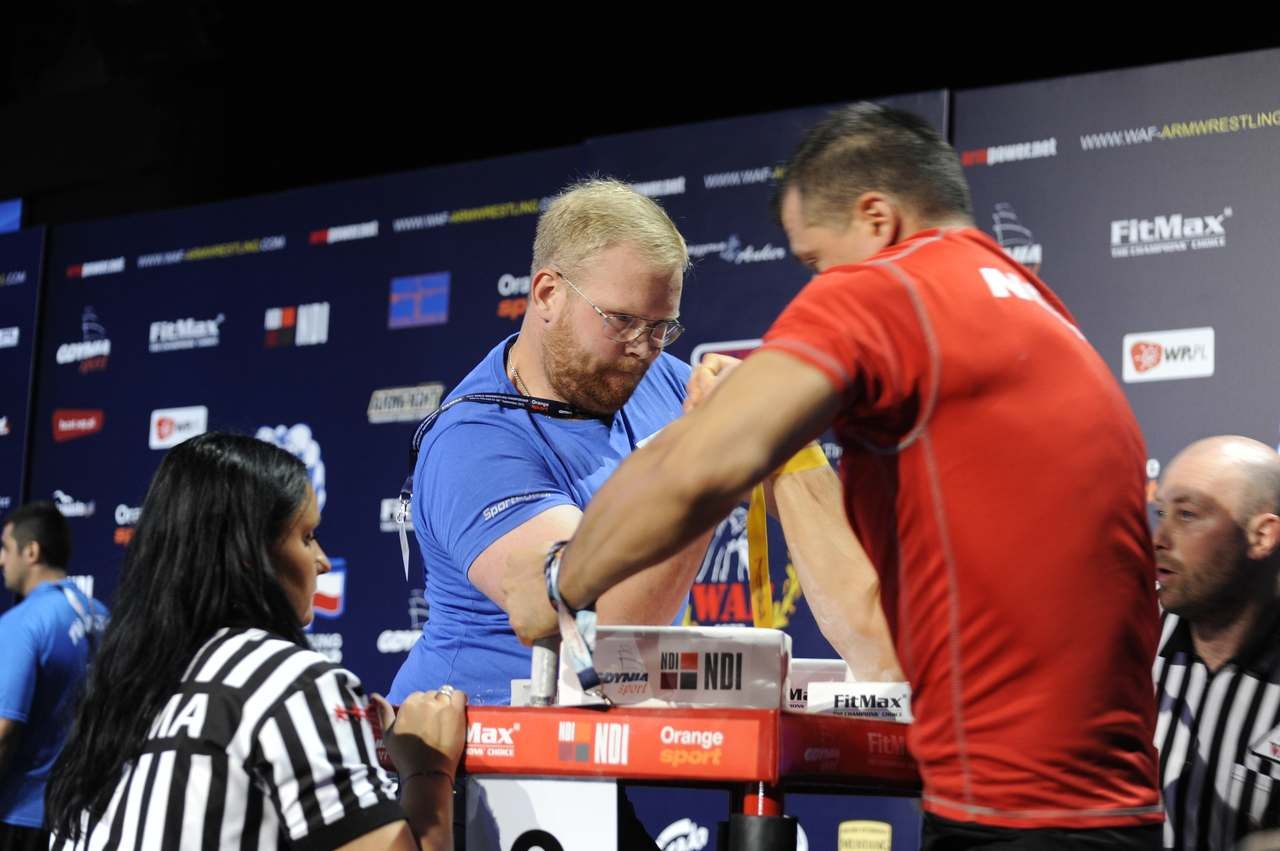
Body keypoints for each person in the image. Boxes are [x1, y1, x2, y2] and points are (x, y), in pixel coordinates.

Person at [504, 102, 1163, 849]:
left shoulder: (892, 286)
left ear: (877, 218)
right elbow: (891, 626)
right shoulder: (1037, 307)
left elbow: (696, 467)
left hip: (1014, 817)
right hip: (1119, 810)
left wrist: (564, 581)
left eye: (815, 260)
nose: (816, 286)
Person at [45, 433, 466, 850]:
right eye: (306, 536)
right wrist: (427, 774)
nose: (321, 560)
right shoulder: (293, 684)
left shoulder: (119, 695)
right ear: (249, 556)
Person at [388, 178, 710, 708]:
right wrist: (711, 468)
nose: (642, 349)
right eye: (622, 321)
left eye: (661, 328)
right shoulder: (472, 445)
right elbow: (606, 637)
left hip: (587, 736)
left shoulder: (653, 375)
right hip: (469, 757)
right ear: (547, 294)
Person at [1152, 436, 1280, 850]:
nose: (1159, 538)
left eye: (1187, 515)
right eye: (1161, 513)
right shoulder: (1120, 645)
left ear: (1261, 535)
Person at [0, 502, 107, 850]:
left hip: (19, 817)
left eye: (5, 548)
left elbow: (3, 730)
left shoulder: (23, 622)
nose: (1, 561)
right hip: (82, 816)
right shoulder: (102, 615)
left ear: (31, 551)